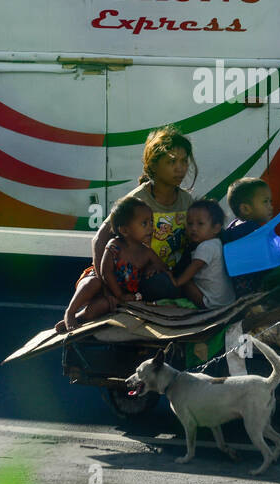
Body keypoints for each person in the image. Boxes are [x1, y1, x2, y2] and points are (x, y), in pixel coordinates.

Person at [58, 125, 196, 332]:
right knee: (101, 294)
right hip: (124, 274)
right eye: (172, 162)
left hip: (154, 275)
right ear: (154, 165)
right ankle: (76, 317)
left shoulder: (186, 200)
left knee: (166, 287)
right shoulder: (137, 200)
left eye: (184, 161)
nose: (180, 168)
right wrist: (106, 284)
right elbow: (98, 240)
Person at [59, 197, 170, 328]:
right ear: (124, 230)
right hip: (99, 281)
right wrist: (119, 294)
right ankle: (70, 312)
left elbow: (163, 267)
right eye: (144, 224)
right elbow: (106, 272)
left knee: (104, 306)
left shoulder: (147, 252)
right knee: (93, 283)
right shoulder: (115, 246)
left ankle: (79, 318)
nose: (150, 227)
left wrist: (153, 267)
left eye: (151, 222)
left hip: (117, 293)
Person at [171, 199, 236, 310]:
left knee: (186, 282)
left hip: (212, 303)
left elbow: (195, 267)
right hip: (228, 300)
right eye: (190, 223)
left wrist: (176, 282)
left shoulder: (206, 246)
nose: (193, 228)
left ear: (216, 228)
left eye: (200, 224)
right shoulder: (217, 243)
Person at [222, 177, 274, 243]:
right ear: (245, 209)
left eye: (270, 201)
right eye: (265, 201)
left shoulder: (233, 226)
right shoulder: (252, 230)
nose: (271, 207)